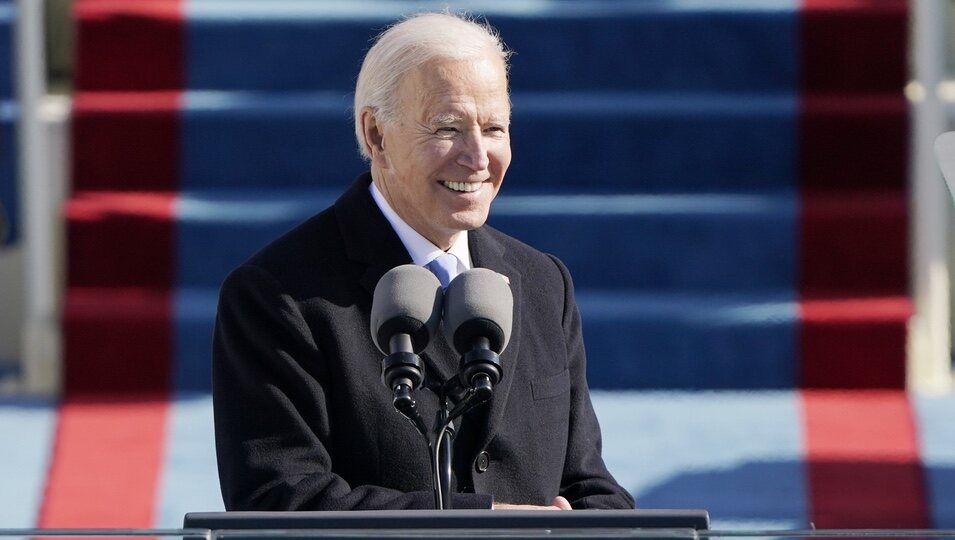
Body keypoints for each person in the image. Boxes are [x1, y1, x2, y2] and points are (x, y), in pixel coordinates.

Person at [213, 11, 634, 511]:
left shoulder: (543, 282)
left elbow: (591, 487)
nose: (478, 157)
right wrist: (488, 523)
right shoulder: (277, 295)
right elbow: (283, 500)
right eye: (448, 128)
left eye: (495, 128)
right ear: (376, 136)